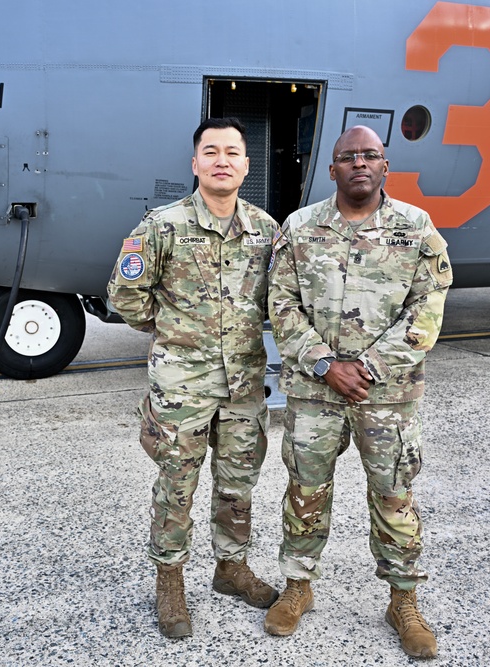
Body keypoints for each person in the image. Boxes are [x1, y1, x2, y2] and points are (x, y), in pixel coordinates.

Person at [264, 125, 453, 658]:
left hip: (387, 396)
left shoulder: (416, 229)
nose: (360, 163)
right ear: (333, 169)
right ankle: (298, 587)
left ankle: (403, 600)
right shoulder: (300, 228)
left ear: (385, 165)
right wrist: (325, 363)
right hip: (314, 393)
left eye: (371, 155)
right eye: (349, 156)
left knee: (394, 497)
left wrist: (366, 366)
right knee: (305, 491)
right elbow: (280, 303)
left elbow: (429, 307)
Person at [107, 117, 280, 639]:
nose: (221, 160)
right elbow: (125, 296)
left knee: (238, 484)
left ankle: (231, 569)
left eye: (232, 152)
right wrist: (173, 334)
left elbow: (282, 297)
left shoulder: (267, 230)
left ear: (246, 165)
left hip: (245, 386)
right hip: (182, 389)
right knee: (176, 486)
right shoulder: (162, 226)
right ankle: (170, 582)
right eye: (211, 152)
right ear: (195, 164)